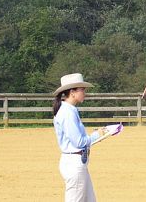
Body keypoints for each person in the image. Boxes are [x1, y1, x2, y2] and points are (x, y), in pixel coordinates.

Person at [53, 73, 106, 202]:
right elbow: (79, 142)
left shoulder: (69, 110)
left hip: (77, 162)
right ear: (72, 92)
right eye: (82, 89)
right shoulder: (67, 113)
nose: (84, 92)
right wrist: (97, 135)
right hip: (74, 164)